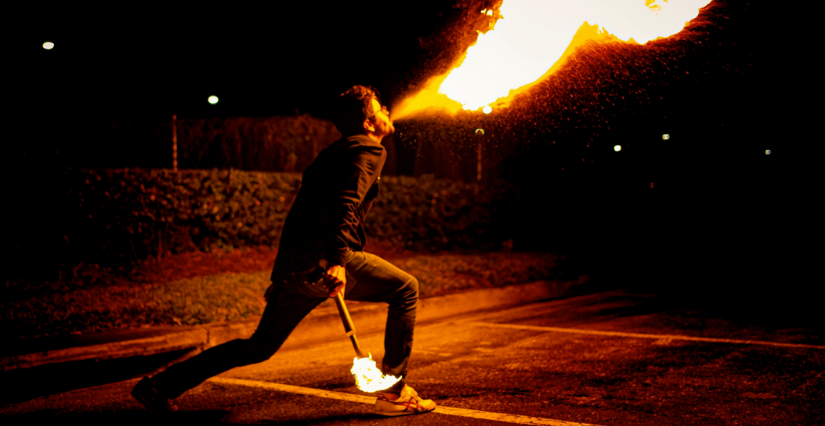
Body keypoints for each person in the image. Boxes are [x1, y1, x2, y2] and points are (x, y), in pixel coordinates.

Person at [131, 85, 436, 417]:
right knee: (406, 288)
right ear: (367, 123)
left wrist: (285, 273)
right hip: (325, 261)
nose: (387, 111)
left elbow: (301, 214)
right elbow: (345, 204)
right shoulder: (368, 150)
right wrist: (337, 261)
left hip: (299, 266)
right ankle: (393, 392)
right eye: (379, 108)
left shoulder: (334, 153)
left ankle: (159, 386)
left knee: (259, 346)